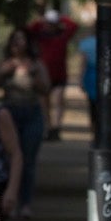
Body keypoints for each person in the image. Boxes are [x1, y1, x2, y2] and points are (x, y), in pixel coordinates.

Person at [0, 27, 50, 218]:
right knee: (10, 158)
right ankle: (10, 198)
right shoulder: (5, 65)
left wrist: (32, 75)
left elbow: (46, 89)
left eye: (22, 39)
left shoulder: (36, 65)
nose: (18, 43)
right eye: (14, 39)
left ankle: (25, 202)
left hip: (31, 113)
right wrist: (3, 73)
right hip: (10, 114)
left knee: (28, 159)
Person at [28, 7, 77, 140]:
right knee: (45, 104)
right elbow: (30, 29)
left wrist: (60, 17)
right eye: (48, 23)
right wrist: (42, 20)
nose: (49, 26)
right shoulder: (40, 36)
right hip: (44, 76)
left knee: (58, 101)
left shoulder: (62, 36)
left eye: (52, 23)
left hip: (59, 75)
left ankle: (56, 127)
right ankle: (48, 127)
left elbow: (73, 25)